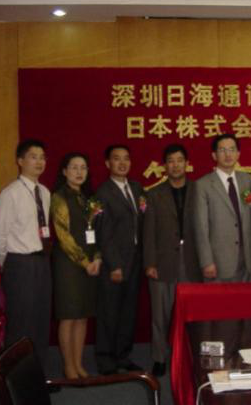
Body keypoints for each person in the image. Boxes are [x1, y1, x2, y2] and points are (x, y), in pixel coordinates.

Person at [0, 139, 51, 367]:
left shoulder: (44, 192)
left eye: (42, 157)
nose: (39, 161)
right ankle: (16, 375)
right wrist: (10, 261)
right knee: (21, 322)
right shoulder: (11, 193)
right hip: (19, 263)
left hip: (42, 261)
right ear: (20, 161)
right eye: (33, 157)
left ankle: (37, 371)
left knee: (41, 319)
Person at [143, 144, 201, 377]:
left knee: (192, 314)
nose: (175, 165)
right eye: (171, 161)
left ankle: (190, 355)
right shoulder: (154, 194)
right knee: (161, 314)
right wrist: (150, 263)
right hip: (163, 261)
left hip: (193, 260)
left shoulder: (199, 189)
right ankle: (159, 357)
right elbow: (148, 232)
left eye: (179, 160)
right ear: (164, 166)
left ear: (187, 163)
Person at [51, 152, 101, 379]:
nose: (79, 172)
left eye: (83, 167)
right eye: (74, 167)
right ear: (64, 171)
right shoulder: (59, 197)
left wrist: (97, 257)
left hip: (90, 264)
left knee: (83, 316)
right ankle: (68, 366)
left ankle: (78, 363)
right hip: (68, 264)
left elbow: (97, 231)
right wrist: (85, 262)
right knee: (69, 315)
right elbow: (63, 236)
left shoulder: (90, 199)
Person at [95, 144, 144, 375]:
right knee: (109, 313)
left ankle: (123, 355)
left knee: (128, 312)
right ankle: (106, 360)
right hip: (114, 264)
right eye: (116, 159)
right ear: (108, 163)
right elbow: (103, 232)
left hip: (135, 261)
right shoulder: (102, 193)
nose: (122, 163)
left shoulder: (136, 188)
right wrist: (114, 264)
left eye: (126, 158)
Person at [194, 133, 251, 282]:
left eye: (232, 149)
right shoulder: (203, 185)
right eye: (222, 150)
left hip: (247, 260)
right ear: (214, 155)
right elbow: (201, 228)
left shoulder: (248, 180)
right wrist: (206, 261)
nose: (228, 154)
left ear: (238, 154)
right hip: (218, 262)